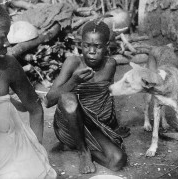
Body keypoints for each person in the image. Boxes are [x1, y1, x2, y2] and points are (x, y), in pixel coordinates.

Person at [45, 19, 129, 174]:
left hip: (93, 125)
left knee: (118, 161)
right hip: (69, 124)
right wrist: (74, 81)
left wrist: (114, 127)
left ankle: (75, 146)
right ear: (80, 44)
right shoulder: (73, 63)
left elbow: (107, 97)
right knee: (68, 99)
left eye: (97, 46)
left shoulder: (110, 64)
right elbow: (48, 100)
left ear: (107, 47)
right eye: (86, 45)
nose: (91, 51)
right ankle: (83, 151)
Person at [0, 3, 57, 179]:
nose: (7, 42)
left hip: (11, 154)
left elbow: (35, 110)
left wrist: (36, 151)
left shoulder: (8, 66)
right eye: (2, 36)